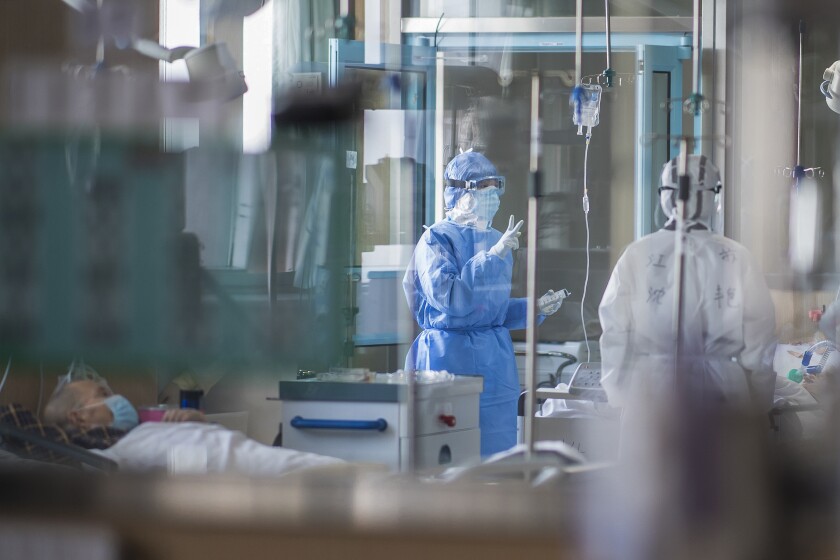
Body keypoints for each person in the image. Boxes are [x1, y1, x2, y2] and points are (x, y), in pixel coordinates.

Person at [403, 151, 567, 456]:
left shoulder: (495, 238)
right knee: (446, 451)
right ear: (462, 193)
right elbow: (453, 299)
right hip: (448, 358)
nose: (493, 199)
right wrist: (492, 257)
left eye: (496, 192)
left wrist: (535, 308)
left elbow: (491, 312)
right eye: (485, 192)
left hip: (495, 363)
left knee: (497, 455)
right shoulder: (436, 240)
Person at [598, 154, 777, 410]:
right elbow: (761, 343)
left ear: (664, 195)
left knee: (655, 451)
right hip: (724, 393)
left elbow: (614, 332)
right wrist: (760, 403)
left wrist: (618, 395)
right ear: (713, 196)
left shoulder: (636, 254)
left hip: (651, 394)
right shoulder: (737, 257)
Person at [41, 372, 343, 475]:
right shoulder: (111, 457)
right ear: (79, 416)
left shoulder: (141, 436)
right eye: (103, 394)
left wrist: (198, 425)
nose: (116, 397)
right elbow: (203, 467)